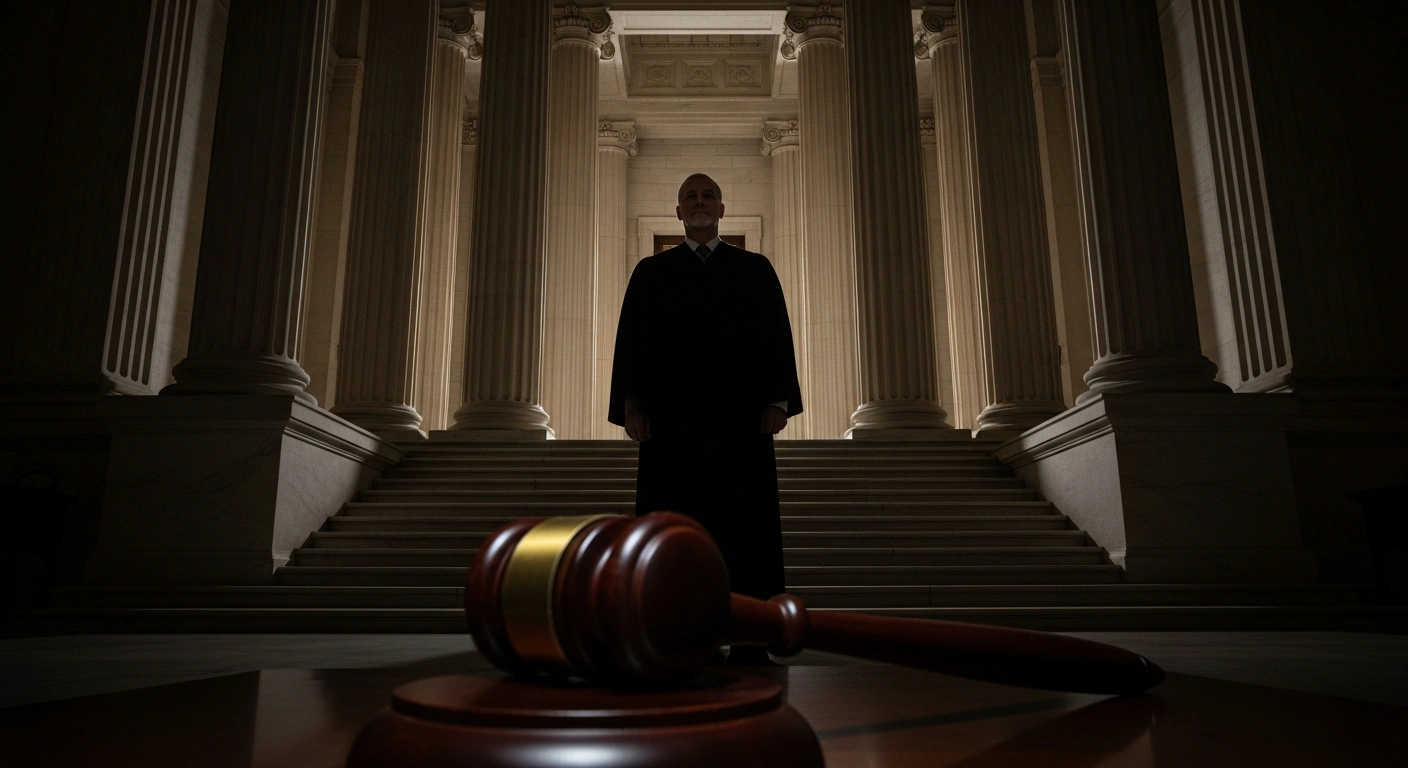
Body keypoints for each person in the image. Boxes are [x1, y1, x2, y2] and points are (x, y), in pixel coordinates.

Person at [607, 173, 803, 666]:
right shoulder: (651, 274)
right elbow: (631, 342)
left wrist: (778, 400)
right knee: (674, 532)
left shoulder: (755, 270)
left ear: (721, 208)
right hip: (672, 429)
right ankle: (674, 634)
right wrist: (632, 405)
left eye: (707, 195)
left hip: (740, 426)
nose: (699, 203)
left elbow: (776, 336)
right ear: (677, 213)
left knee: (745, 532)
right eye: (690, 197)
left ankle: (748, 634)